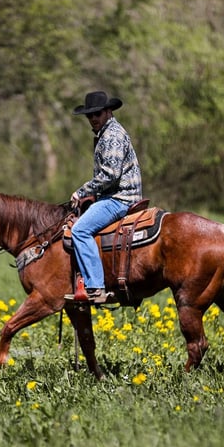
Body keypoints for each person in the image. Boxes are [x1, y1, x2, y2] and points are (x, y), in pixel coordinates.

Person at [68, 91, 143, 304]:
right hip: (117, 195)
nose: (93, 118)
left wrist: (81, 192)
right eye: (89, 115)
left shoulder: (112, 136)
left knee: (80, 230)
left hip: (120, 198)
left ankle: (95, 287)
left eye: (97, 114)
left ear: (108, 112)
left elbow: (110, 175)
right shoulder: (108, 132)